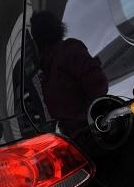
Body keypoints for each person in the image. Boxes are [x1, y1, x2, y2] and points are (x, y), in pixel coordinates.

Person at [30, 10, 108, 156]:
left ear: (38, 40)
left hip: (92, 135)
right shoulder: (44, 69)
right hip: (73, 140)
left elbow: (99, 85)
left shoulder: (69, 51)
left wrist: (84, 119)